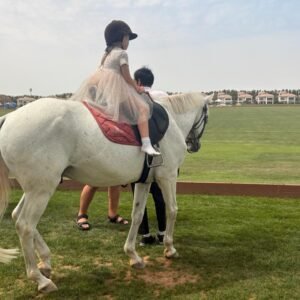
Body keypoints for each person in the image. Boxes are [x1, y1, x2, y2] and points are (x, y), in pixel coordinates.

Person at [71, 19, 160, 156]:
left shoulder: (106, 54)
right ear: (122, 38)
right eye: (128, 38)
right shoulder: (122, 53)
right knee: (143, 108)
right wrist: (137, 88)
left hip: (103, 86)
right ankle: (146, 143)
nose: (128, 42)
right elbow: (126, 76)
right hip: (116, 88)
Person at [132, 66, 167, 246]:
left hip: (136, 156)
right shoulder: (161, 96)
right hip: (159, 154)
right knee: (159, 194)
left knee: (139, 195)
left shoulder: (134, 98)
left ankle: (144, 235)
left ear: (138, 81)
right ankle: (162, 233)